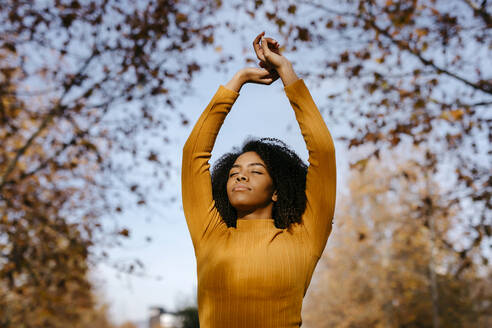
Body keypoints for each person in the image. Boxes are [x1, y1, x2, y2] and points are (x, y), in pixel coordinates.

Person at [181, 31, 336, 328]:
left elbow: (324, 153)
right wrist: (237, 81)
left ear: (277, 191)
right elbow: (193, 155)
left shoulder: (304, 239)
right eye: (234, 171)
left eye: (256, 171)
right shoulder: (210, 234)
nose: (241, 174)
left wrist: (286, 72)